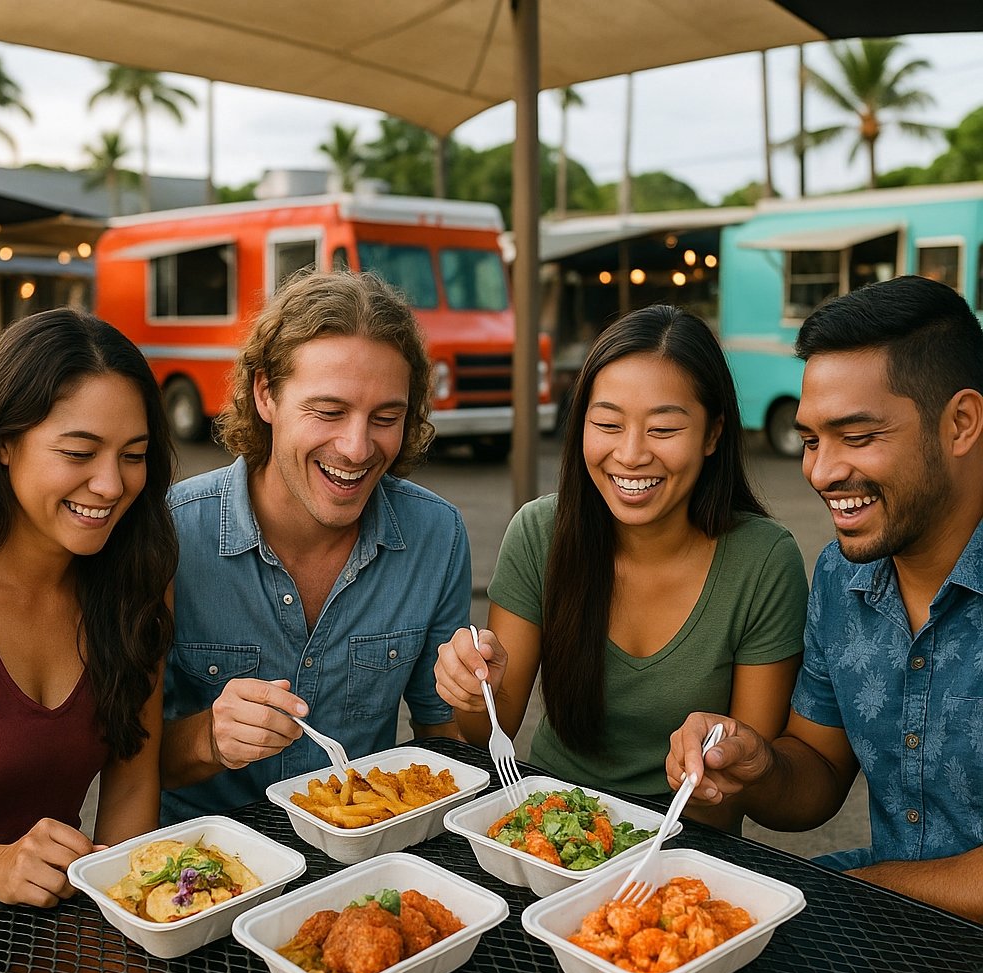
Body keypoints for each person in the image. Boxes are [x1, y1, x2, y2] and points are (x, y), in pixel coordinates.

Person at [667, 275, 983, 921]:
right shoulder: (842, 576)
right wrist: (755, 764)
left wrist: (860, 893)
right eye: (812, 440)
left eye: (858, 437)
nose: (822, 471)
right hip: (894, 914)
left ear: (961, 423)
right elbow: (817, 774)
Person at [434, 305, 808, 828]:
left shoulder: (763, 561)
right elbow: (489, 734)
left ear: (713, 434)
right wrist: (476, 694)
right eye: (608, 424)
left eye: (663, 429)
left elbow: (742, 780)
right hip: (550, 827)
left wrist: (713, 767)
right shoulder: (539, 533)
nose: (630, 455)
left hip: (684, 847)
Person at [160, 271, 468, 823]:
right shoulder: (171, 534)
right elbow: (120, 763)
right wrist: (208, 738)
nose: (356, 448)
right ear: (266, 394)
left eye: (386, 418)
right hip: (205, 861)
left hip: (366, 858)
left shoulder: (436, 535)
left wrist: (475, 693)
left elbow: (444, 739)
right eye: (328, 412)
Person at [0, 309, 177, 907]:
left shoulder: (137, 582)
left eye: (133, 455)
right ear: (4, 443)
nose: (111, 485)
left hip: (53, 929)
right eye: (80, 453)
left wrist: (128, 914)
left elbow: (132, 782)